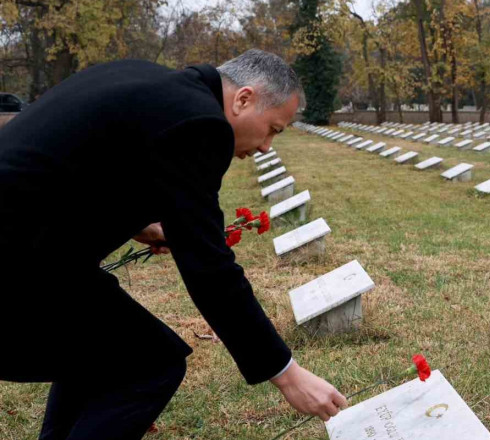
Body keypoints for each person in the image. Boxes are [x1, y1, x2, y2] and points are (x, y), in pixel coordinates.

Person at [0, 49, 347, 439]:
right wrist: (287, 374)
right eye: (273, 129)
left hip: (33, 257)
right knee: (149, 363)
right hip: (16, 273)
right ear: (243, 99)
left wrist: (142, 226)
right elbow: (210, 268)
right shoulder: (200, 124)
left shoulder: (147, 79)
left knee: (108, 353)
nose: (267, 146)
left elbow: (82, 168)